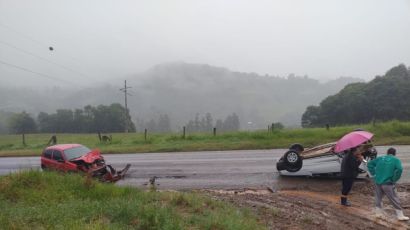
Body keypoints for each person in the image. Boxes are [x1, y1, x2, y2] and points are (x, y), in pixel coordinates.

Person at [367, 147, 409, 221]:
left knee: (378, 197)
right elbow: (399, 169)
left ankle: (378, 213)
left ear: (387, 152)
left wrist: (374, 174)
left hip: (378, 181)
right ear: (394, 153)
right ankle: (400, 215)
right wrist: (394, 179)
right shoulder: (396, 160)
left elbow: (370, 164)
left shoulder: (380, 158)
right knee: (393, 198)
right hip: (388, 183)